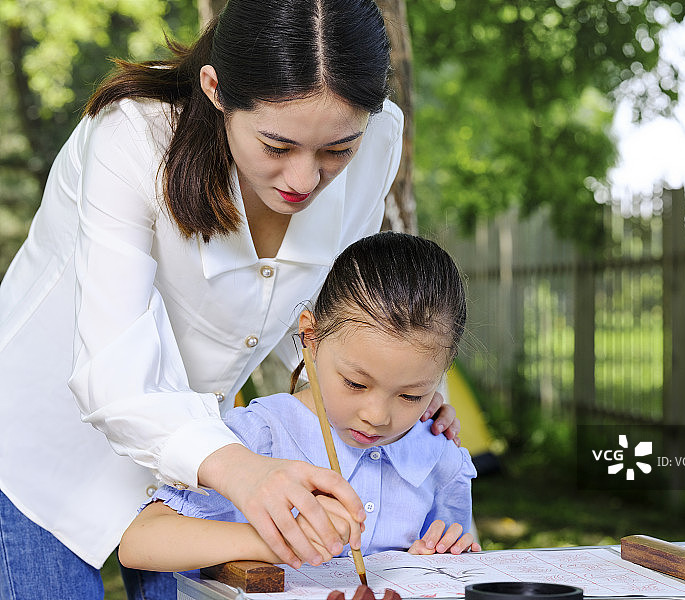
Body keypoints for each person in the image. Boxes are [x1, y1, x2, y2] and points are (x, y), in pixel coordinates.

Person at [0, 2, 459, 599]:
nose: (303, 179)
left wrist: (411, 388)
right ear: (216, 89)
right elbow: (114, 371)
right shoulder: (134, 137)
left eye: (335, 151)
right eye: (276, 144)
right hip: (44, 448)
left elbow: (348, 308)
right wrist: (245, 472)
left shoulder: (377, 142)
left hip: (202, 461)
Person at [118, 232, 480, 573]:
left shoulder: (442, 457)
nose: (376, 416)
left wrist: (436, 560)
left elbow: (449, 563)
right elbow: (139, 542)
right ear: (311, 336)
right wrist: (275, 541)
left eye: (410, 395)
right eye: (355, 383)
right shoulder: (264, 435)